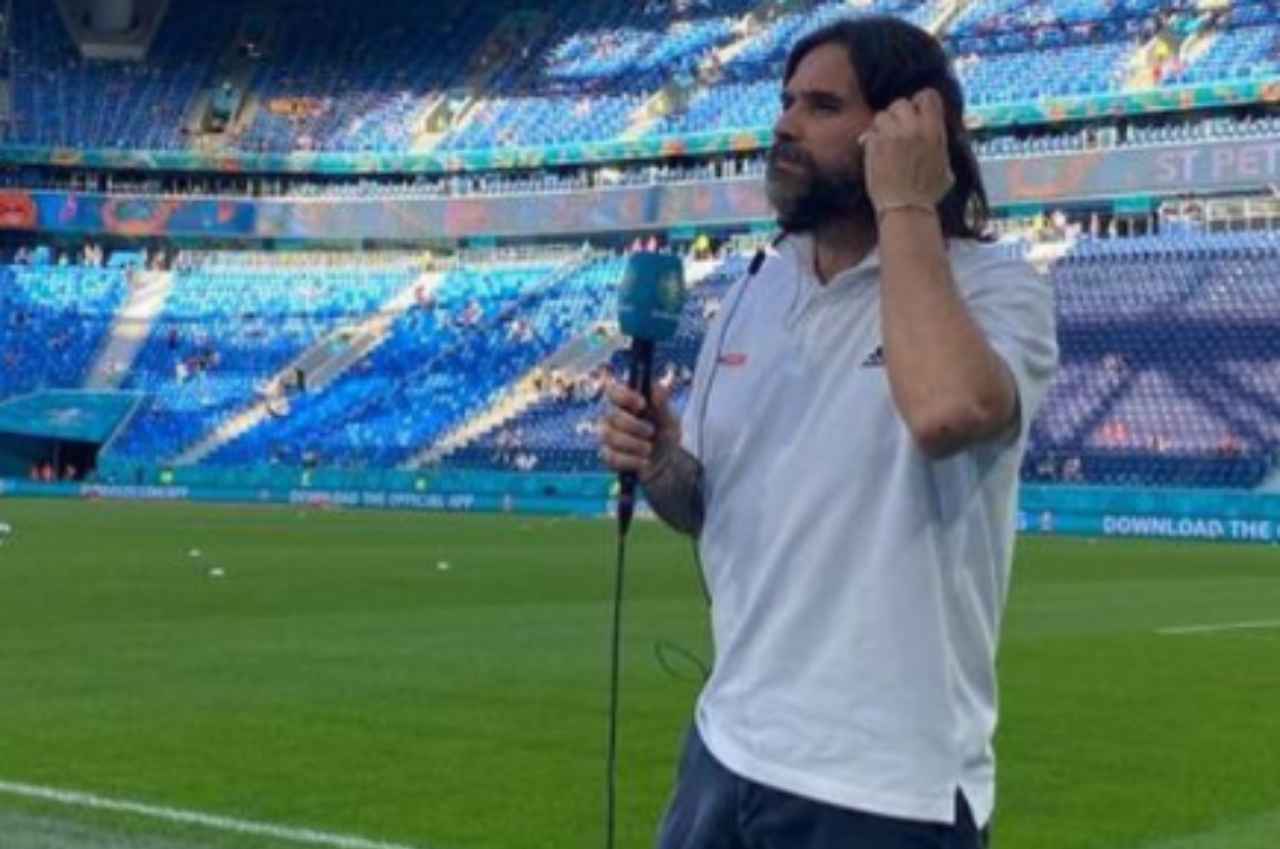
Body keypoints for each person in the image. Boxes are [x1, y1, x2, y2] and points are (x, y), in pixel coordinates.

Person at [598, 16, 1058, 849]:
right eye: (786, 102)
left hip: (885, 788)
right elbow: (705, 507)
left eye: (822, 106)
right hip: (724, 751)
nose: (785, 125)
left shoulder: (996, 288)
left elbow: (945, 410)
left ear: (909, 125)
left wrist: (907, 201)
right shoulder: (753, 291)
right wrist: (662, 460)